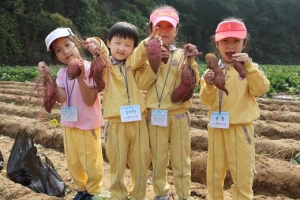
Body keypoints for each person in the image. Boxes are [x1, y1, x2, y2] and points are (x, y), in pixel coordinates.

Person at [130, 6, 201, 200]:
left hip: (178, 116)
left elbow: (193, 83)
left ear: (176, 30)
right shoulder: (144, 55)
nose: (163, 30)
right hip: (155, 116)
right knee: (159, 160)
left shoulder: (181, 54)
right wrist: (152, 57)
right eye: (158, 25)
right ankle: (161, 194)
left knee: (181, 160)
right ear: (151, 28)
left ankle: (183, 195)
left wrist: (191, 60)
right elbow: (139, 78)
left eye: (169, 27)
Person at [199, 18, 270, 200]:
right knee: (214, 174)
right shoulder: (212, 70)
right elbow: (206, 100)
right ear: (217, 43)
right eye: (225, 41)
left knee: (242, 175)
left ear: (244, 43)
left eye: (236, 41)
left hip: (240, 129)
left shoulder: (251, 69)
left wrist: (249, 68)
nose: (230, 46)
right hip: (216, 129)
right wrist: (208, 85)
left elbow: (261, 89)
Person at [85, 22, 151, 200]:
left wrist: (150, 42)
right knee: (117, 163)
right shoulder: (105, 64)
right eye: (117, 43)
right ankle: (118, 196)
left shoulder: (134, 64)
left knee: (141, 162)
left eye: (128, 45)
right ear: (109, 42)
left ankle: (138, 196)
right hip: (115, 124)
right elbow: (98, 46)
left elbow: (142, 54)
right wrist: (94, 42)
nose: (122, 48)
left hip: (138, 123)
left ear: (133, 48)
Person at [41, 27, 108, 200]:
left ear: (77, 44)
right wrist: (49, 79)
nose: (65, 51)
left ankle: (94, 191)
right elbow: (62, 97)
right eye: (59, 50)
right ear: (56, 57)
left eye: (68, 45)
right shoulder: (62, 73)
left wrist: (80, 76)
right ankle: (81, 189)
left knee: (91, 159)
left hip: (87, 124)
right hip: (69, 124)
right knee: (74, 160)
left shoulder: (90, 68)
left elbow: (89, 99)